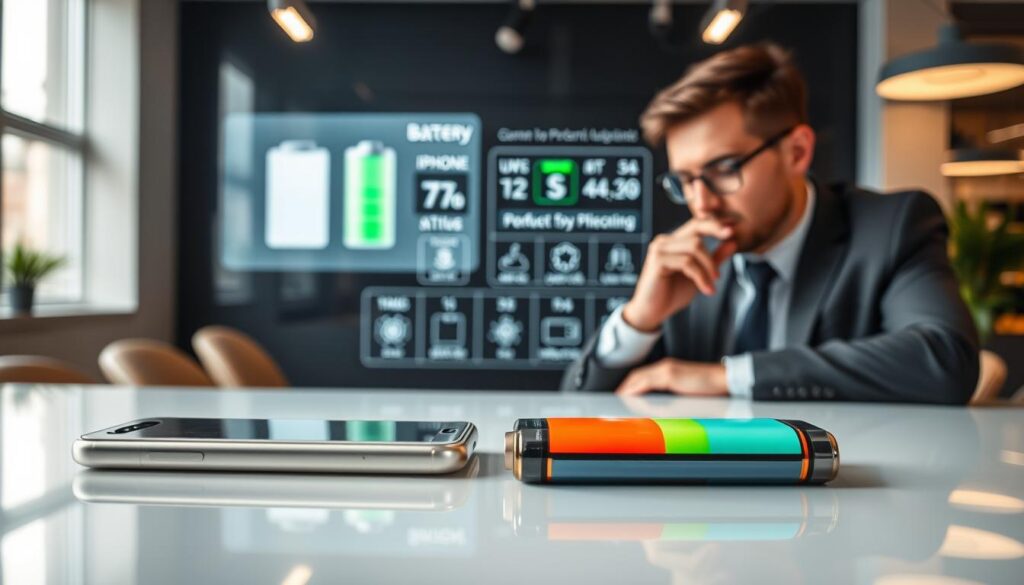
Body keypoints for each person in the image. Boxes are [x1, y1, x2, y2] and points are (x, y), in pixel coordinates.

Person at [561, 43, 979, 404]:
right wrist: (640, 319)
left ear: (796, 152)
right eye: (685, 180)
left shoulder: (890, 228)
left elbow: (944, 359)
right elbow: (577, 407)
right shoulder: (686, 259)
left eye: (723, 169)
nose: (701, 203)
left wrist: (727, 377)